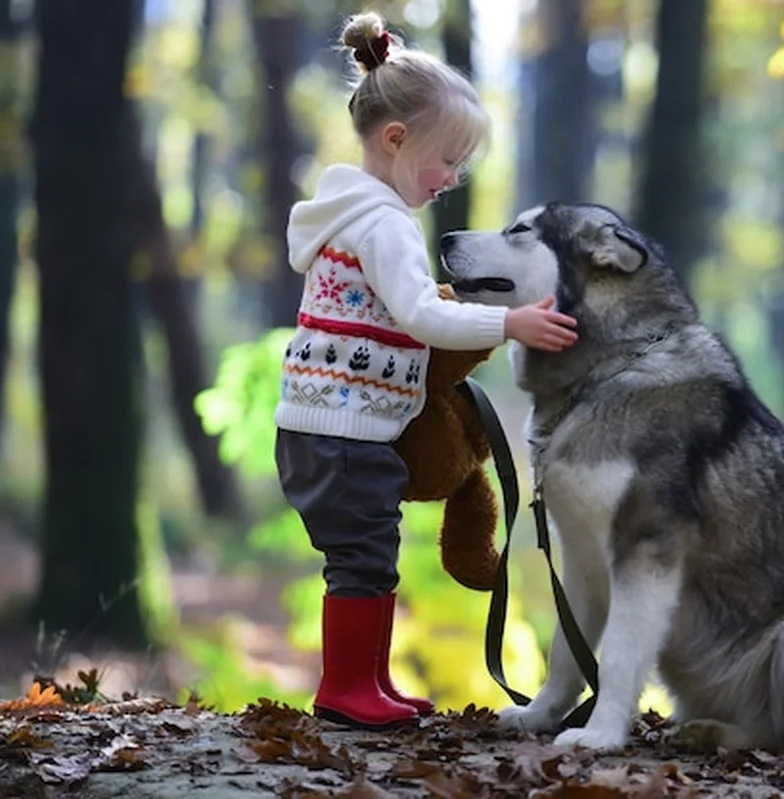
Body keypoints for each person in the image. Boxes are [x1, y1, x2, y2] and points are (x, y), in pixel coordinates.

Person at [272, 11, 578, 730]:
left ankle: (365, 679)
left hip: (329, 422)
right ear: (396, 140)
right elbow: (421, 316)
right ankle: (346, 685)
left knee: (369, 555)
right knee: (362, 559)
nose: (454, 177)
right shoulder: (381, 224)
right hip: (340, 429)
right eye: (448, 160)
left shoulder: (348, 211)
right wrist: (509, 322)